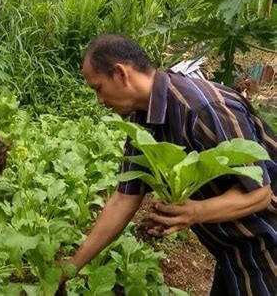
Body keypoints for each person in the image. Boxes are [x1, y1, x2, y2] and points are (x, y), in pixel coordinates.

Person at [63, 34, 276, 296]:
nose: (99, 100)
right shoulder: (143, 121)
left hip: (268, 246)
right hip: (230, 250)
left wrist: (195, 211)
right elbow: (123, 199)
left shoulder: (203, 109)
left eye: (98, 88)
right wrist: (71, 267)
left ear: (120, 73)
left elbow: (260, 193)